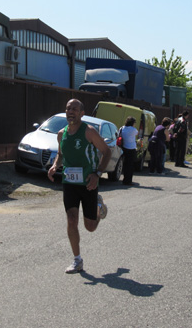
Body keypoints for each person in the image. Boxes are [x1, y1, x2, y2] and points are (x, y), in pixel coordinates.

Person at [48, 99, 112, 274]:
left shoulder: (89, 132)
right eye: (68, 108)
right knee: (71, 219)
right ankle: (77, 260)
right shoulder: (61, 134)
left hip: (88, 183)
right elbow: (60, 155)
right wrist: (55, 166)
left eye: (75, 109)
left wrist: (97, 174)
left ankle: (98, 207)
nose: (71, 111)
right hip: (69, 182)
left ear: (82, 113)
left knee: (90, 227)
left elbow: (107, 151)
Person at [119, 116, 138, 185]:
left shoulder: (122, 128)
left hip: (124, 147)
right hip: (131, 149)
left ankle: (125, 179)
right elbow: (137, 133)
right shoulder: (133, 130)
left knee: (125, 164)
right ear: (132, 123)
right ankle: (128, 180)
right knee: (130, 166)